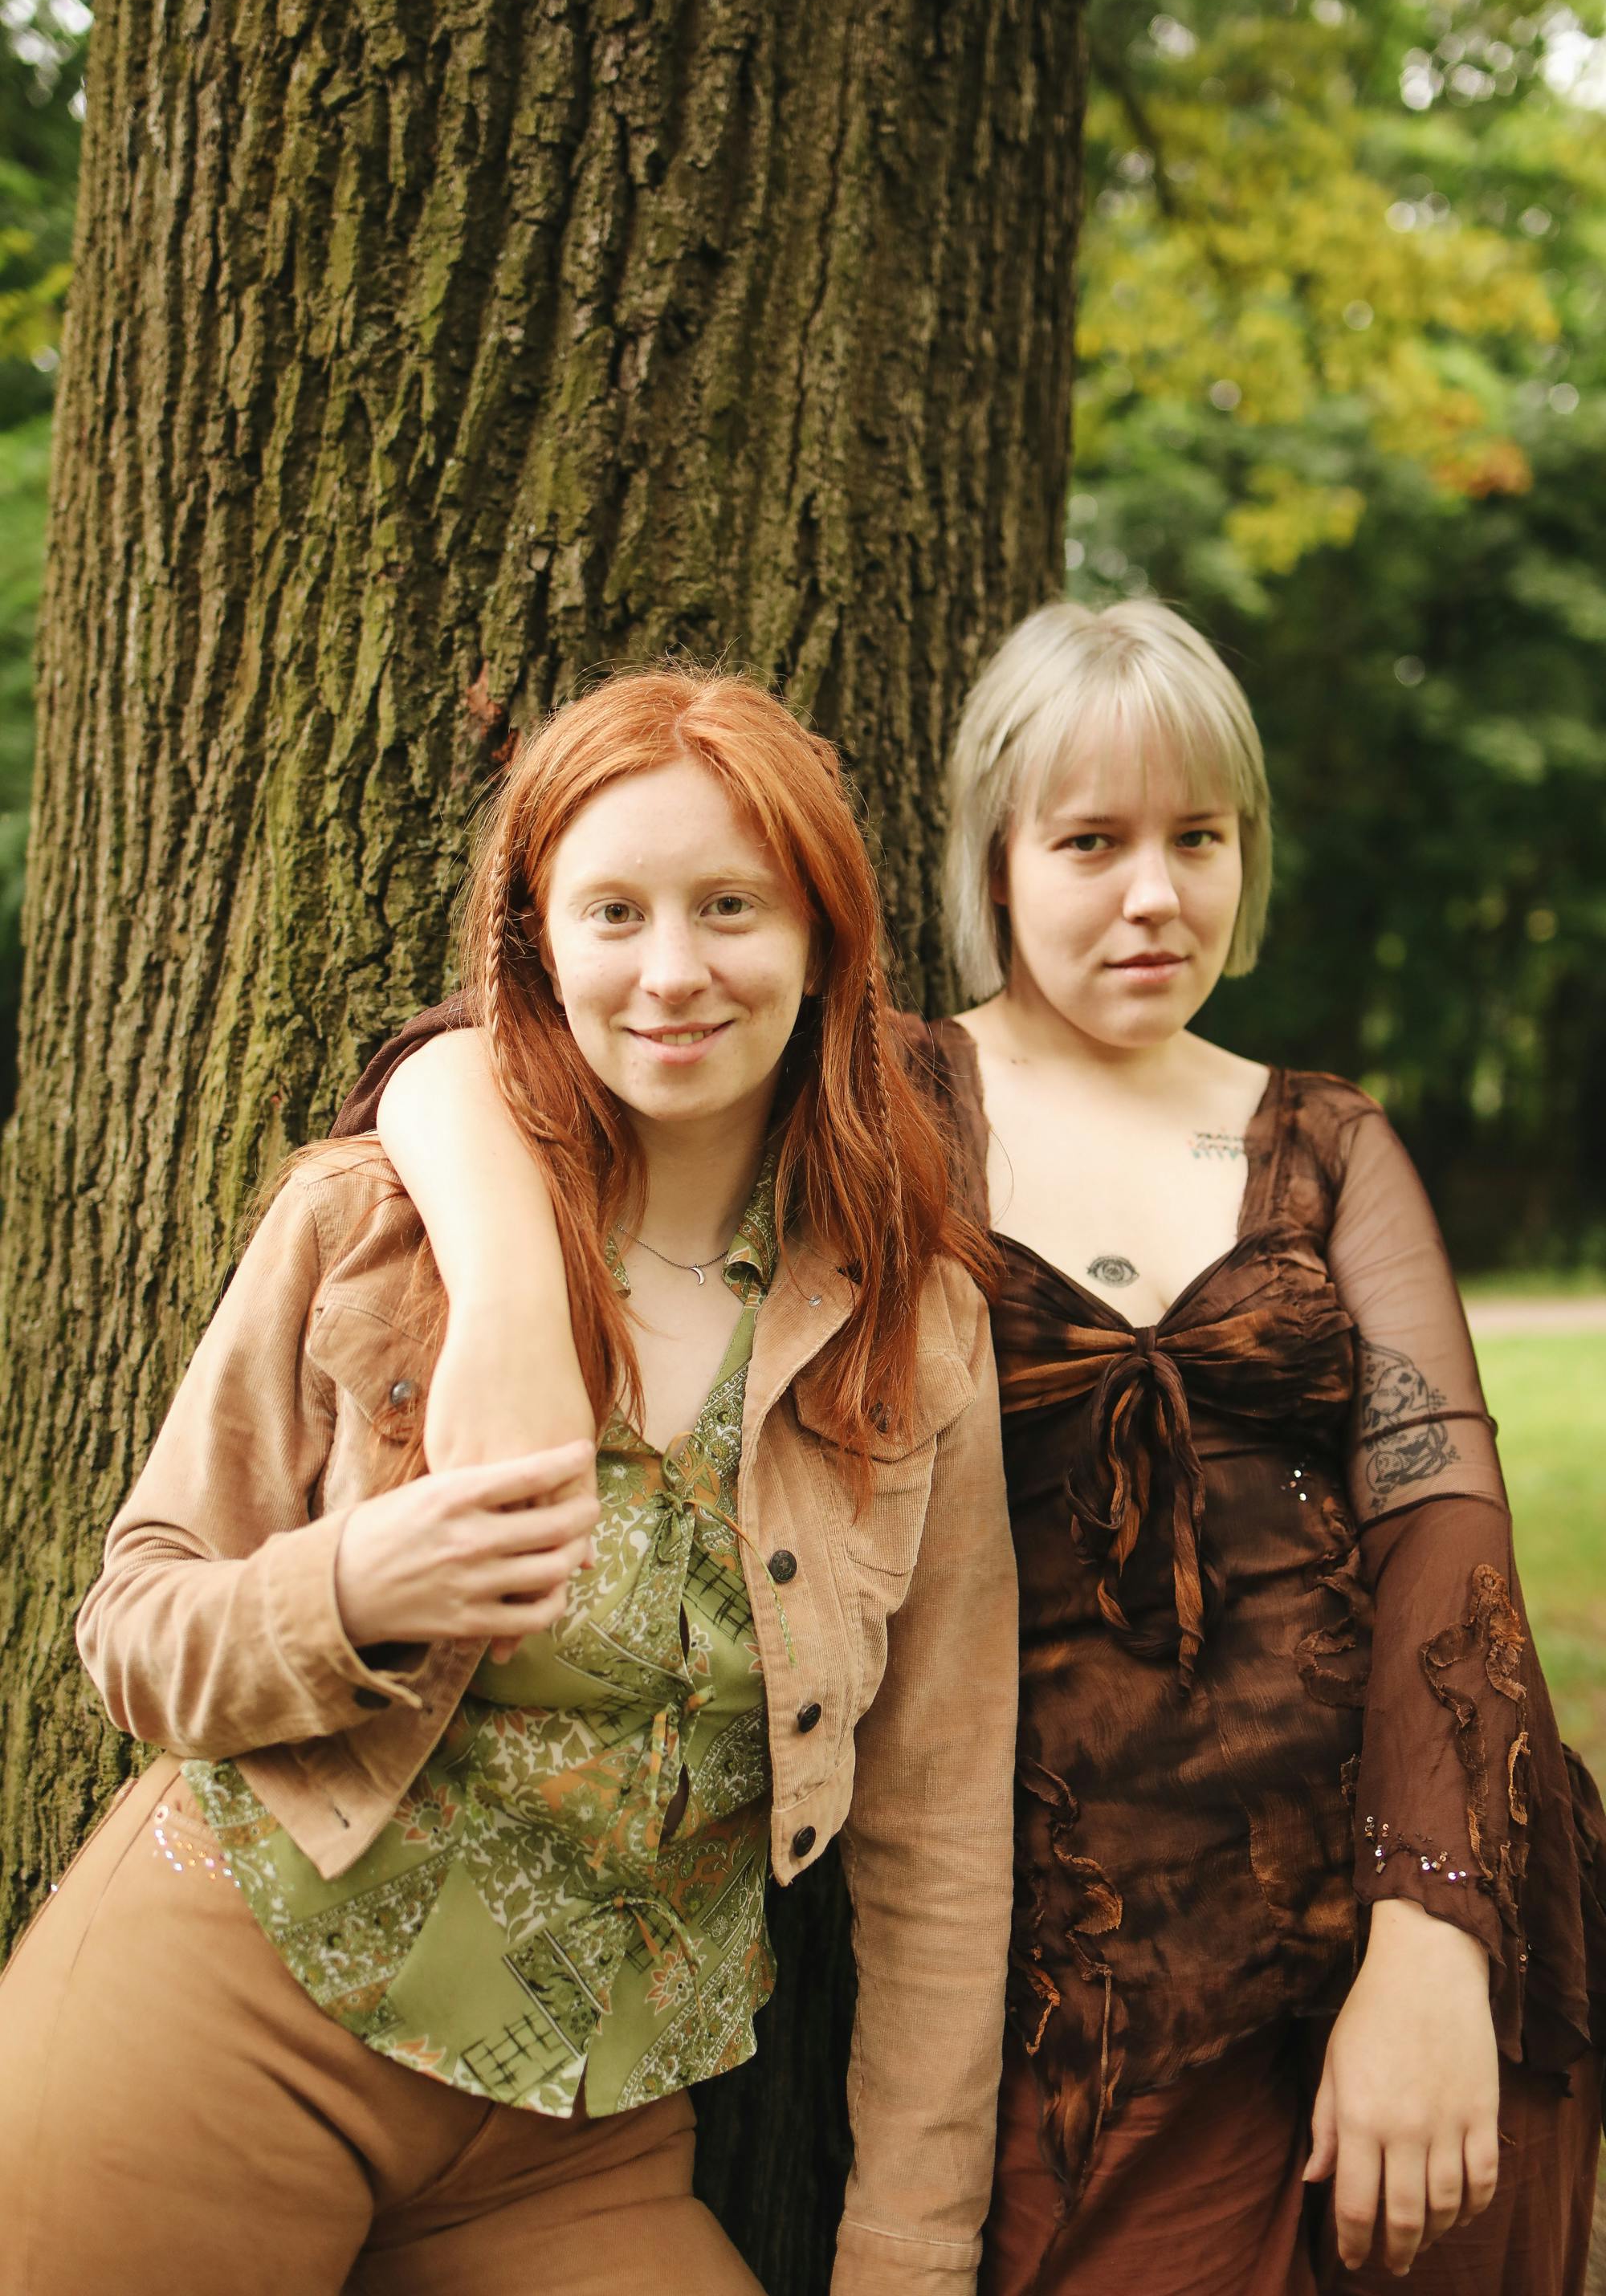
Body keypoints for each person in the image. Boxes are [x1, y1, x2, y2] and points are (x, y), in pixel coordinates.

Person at [337, 605, 1605, 2296]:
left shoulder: (1328, 1138)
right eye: (1092, 842)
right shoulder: (884, 1101)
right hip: (1093, 1973)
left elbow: (1444, 1531)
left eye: (1197, 840)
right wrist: (500, 1283)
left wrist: (1434, 1930)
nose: (1154, 895)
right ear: (993, 863)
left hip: (1403, 1904)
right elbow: (464, 1060)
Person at [0, 667, 1017, 2296]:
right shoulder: (376, 1224)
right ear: (540, 940)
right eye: (611, 912)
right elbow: (133, 1629)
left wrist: (908, 2249)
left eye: (731, 907)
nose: (671, 971)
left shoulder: (913, 1330)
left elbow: (943, 1837)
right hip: (234, 2016)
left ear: (824, 938)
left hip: (580, 2136)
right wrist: (349, 1590)